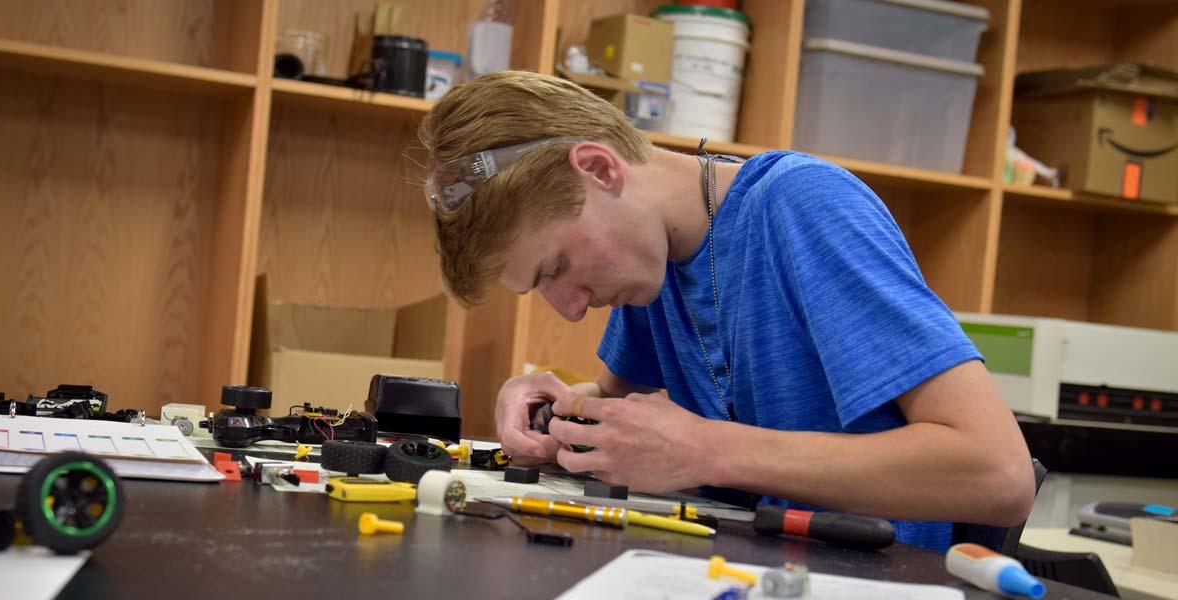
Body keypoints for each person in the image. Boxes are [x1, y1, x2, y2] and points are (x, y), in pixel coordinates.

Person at [418, 71, 1035, 551]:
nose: (571, 309)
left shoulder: (803, 209)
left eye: (555, 269)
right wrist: (557, 415)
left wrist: (709, 451)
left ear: (600, 169)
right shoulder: (649, 273)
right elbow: (625, 425)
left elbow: (999, 475)